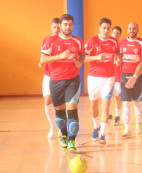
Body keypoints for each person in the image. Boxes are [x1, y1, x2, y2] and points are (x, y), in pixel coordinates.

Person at [40, 14, 86, 151]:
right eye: (65, 24)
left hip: (73, 80)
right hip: (55, 81)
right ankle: (64, 137)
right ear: (60, 25)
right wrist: (59, 56)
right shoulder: (50, 40)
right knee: (60, 116)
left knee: (72, 112)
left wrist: (80, 62)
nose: (68, 27)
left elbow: (83, 53)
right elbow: (42, 59)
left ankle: (72, 141)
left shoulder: (77, 40)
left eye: (70, 24)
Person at [84, 17, 120, 144]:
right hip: (94, 78)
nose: (106, 30)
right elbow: (82, 57)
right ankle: (96, 126)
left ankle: (103, 134)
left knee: (106, 106)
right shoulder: (92, 41)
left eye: (108, 28)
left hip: (109, 78)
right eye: (104, 28)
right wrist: (96, 57)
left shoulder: (114, 41)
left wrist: (118, 58)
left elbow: (118, 52)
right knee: (94, 105)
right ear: (99, 28)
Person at [119, 22, 142, 136]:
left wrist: (140, 58)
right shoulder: (121, 42)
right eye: (130, 28)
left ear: (137, 29)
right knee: (126, 102)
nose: (132, 30)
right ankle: (127, 128)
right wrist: (118, 60)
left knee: (137, 102)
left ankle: (138, 123)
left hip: (138, 76)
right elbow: (119, 57)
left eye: (134, 29)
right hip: (125, 75)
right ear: (127, 30)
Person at [39, 18, 61, 139]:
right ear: (51, 27)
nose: (57, 30)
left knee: (59, 104)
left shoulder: (65, 40)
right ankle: (52, 126)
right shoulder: (47, 40)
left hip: (62, 76)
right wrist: (42, 62)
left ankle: (61, 127)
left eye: (59, 27)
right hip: (49, 75)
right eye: (54, 27)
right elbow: (43, 57)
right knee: (48, 101)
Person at [110, 26, 122, 126]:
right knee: (107, 97)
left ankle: (117, 116)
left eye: (117, 33)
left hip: (118, 75)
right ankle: (109, 115)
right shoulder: (108, 44)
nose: (115, 35)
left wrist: (120, 61)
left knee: (117, 97)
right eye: (114, 33)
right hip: (108, 74)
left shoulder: (122, 45)